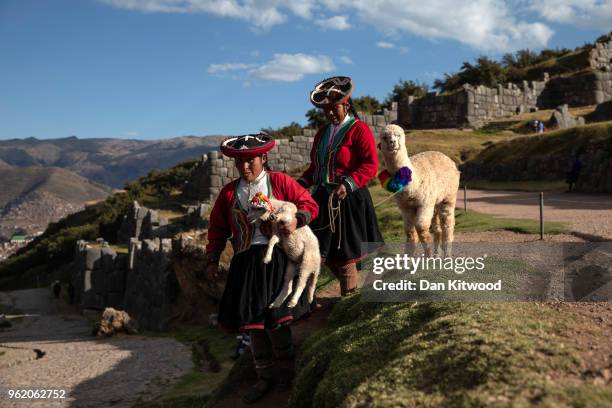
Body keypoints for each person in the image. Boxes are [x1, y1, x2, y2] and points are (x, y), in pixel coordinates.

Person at [205, 133, 319, 403]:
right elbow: (218, 228)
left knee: (276, 318)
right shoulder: (229, 193)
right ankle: (263, 377)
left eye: (250, 161)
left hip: (277, 258)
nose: (245, 167)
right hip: (246, 261)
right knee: (254, 323)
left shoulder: (279, 182)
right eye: (239, 162)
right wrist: (212, 258)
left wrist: (297, 221)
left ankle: (287, 372)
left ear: (263, 158)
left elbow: (309, 204)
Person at [298, 76, 384, 296]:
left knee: (345, 256)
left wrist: (349, 183)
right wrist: (302, 182)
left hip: (348, 198)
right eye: (325, 109)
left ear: (346, 104)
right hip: (323, 200)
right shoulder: (322, 133)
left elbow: (369, 165)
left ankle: (348, 298)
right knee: (318, 251)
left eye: (334, 107)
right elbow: (316, 167)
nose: (329, 113)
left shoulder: (359, 129)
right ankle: (350, 296)